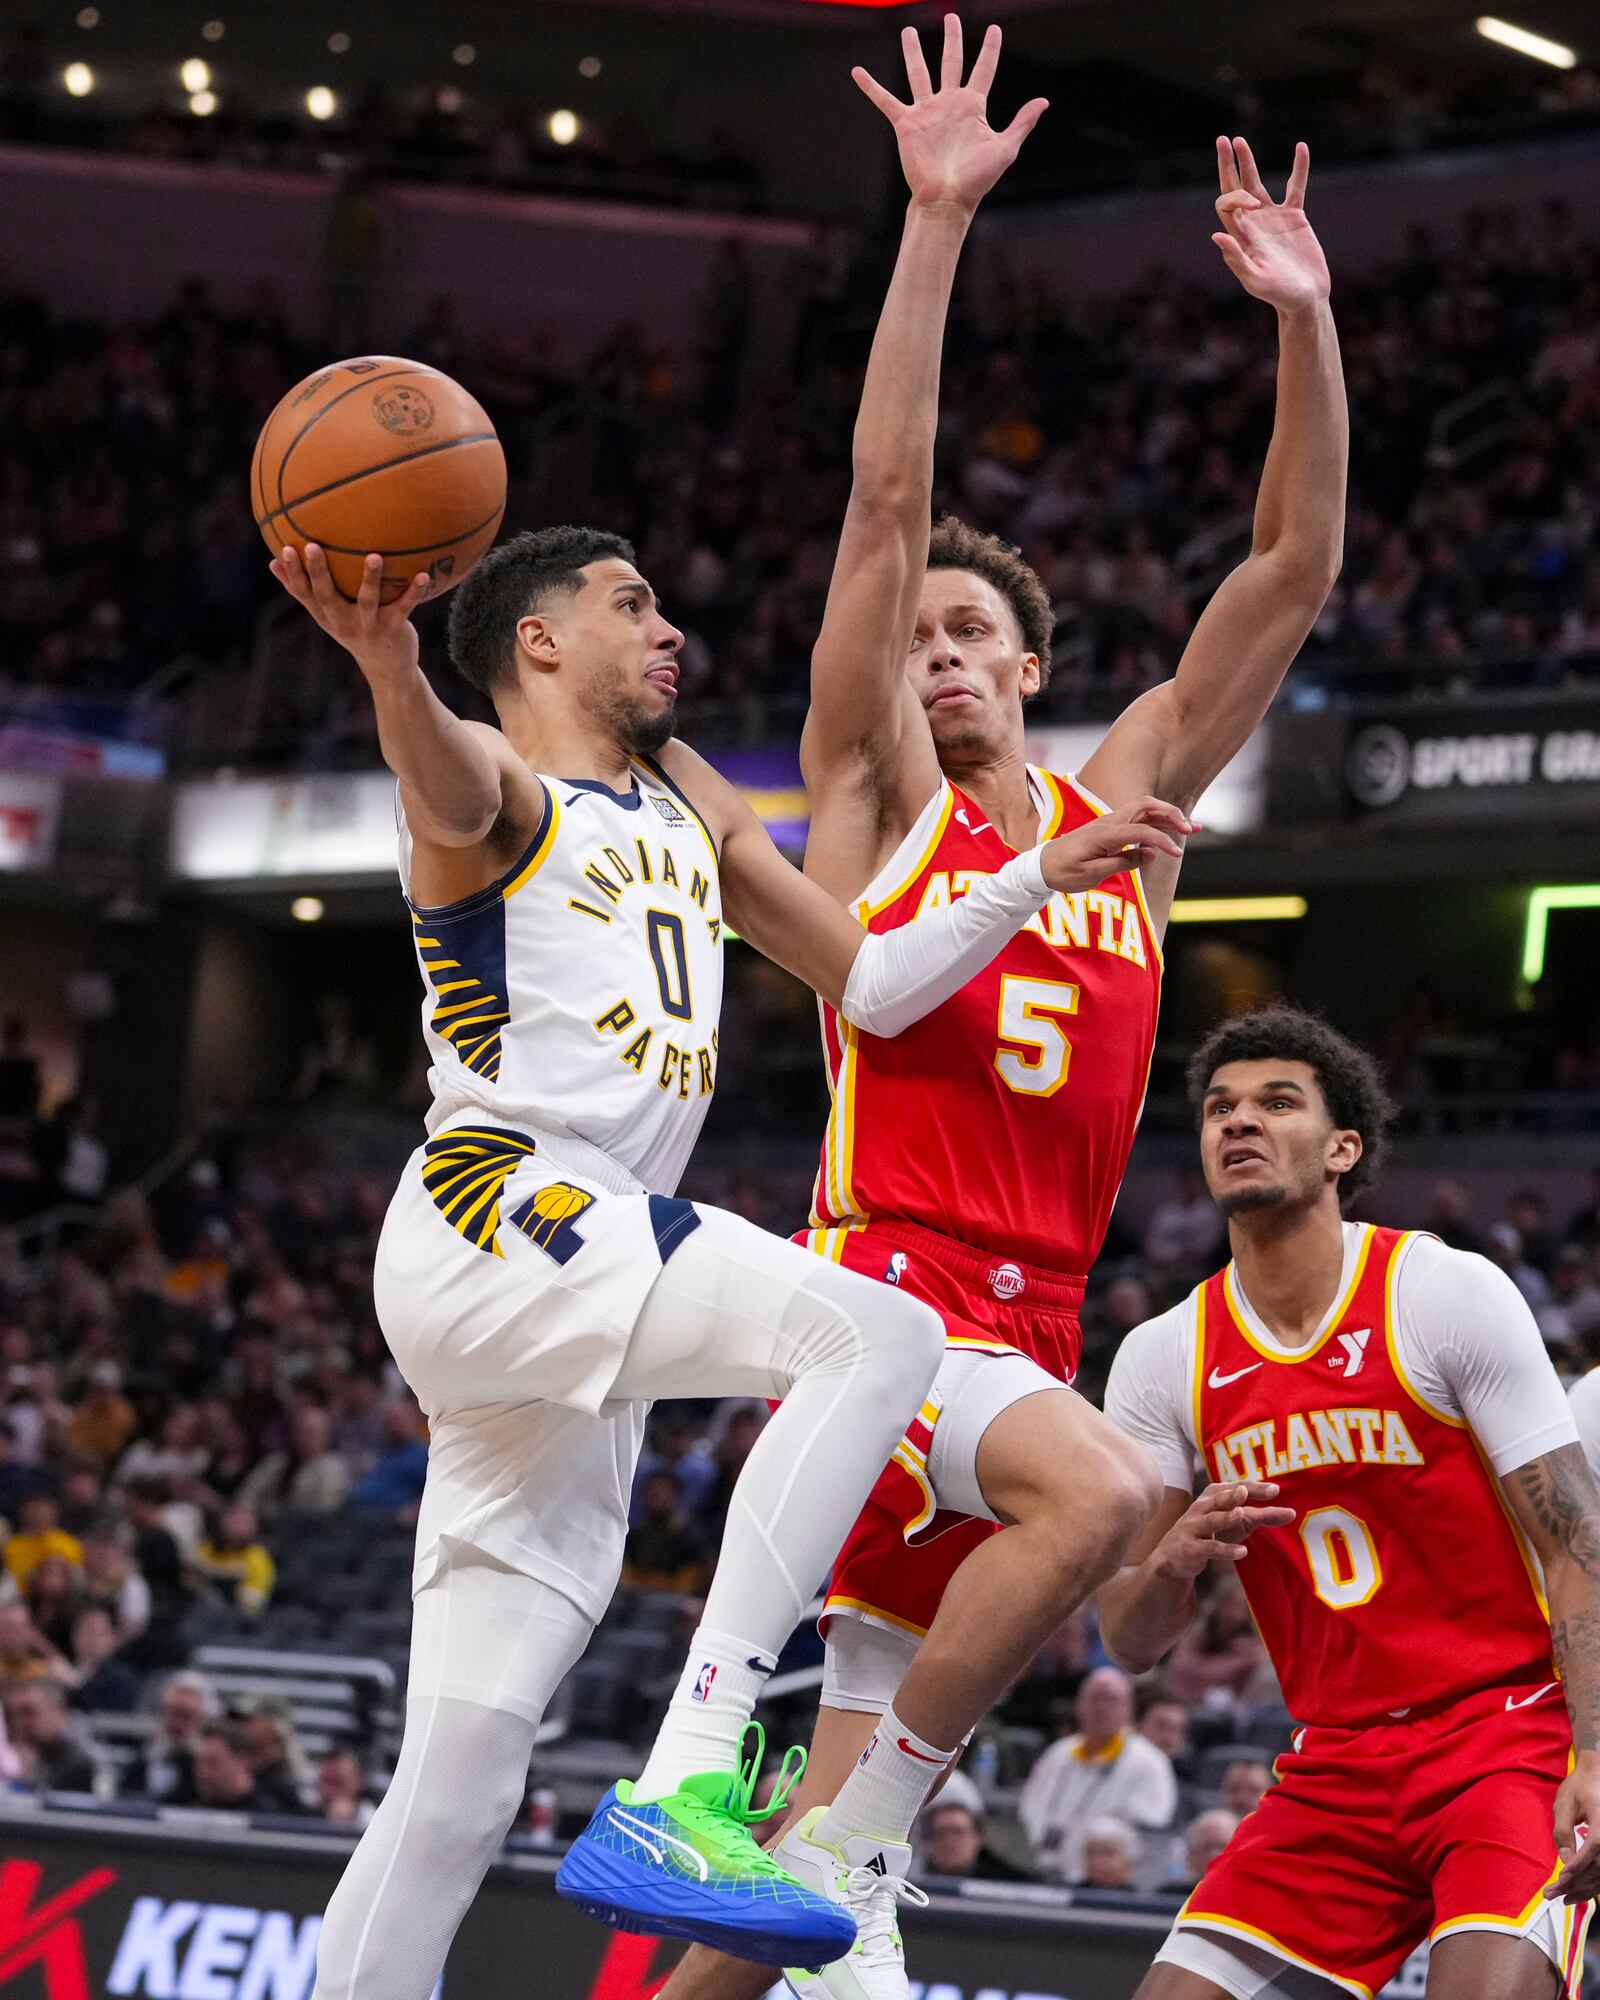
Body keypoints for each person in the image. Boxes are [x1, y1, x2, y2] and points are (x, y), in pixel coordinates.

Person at [269, 374, 1182, 1994]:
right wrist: (388, 659)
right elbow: (443, 779)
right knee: (871, 1336)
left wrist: (1036, 873)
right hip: (510, 1214)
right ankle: (697, 1774)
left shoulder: (690, 811)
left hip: (566, 1318)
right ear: (539, 643)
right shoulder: (499, 787)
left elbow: (885, 987)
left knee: (459, 1784)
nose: (670, 627)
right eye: (632, 605)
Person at [659, 27, 1343, 2000]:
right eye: (921, 637)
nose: (937, 651)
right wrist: (936, 223)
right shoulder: (868, 805)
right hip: (888, 1311)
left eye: (974, 633)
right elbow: (887, 500)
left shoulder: (1117, 814)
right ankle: (864, 1834)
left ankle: (825, 1867)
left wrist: (1299, 324)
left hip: (1023, 1330)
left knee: (795, 1904)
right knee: (1104, 1491)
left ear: (1031, 666)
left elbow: (1287, 569)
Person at [1100, 1007, 1600, 2000]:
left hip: (1506, 1731)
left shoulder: (1442, 1291)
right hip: (1335, 1762)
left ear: (1342, 1147)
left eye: (1275, 1101)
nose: (1237, 1121)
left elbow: (1574, 1547)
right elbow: (1128, 1637)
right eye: (1217, 1107)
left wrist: (1596, 1753)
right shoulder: (1161, 1355)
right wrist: (1172, 1562)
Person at [1018, 1667, 1178, 1884]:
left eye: (1111, 1700)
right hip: (1039, 1872)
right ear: (1078, 1705)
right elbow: (1027, 1808)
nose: (1101, 1708)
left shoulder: (1150, 1763)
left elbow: (1149, 1831)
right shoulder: (1058, 1754)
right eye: (1094, 1698)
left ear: (1129, 1710)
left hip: (1103, 1883)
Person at [5, 1678, 97, 1793]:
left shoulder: (81, 1758)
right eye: (11, 1714)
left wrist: (28, 1773)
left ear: (57, 1711)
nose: (18, 1722)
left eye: (28, 1712)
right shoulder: (13, 1753)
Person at [915, 1800, 1029, 1883]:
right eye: (940, 1833)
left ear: (978, 1838)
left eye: (957, 1832)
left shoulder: (1010, 1883)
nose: (949, 1840)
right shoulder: (911, 1880)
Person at [1078, 1817, 1139, 1893]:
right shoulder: (1066, 1899)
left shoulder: (1144, 1902)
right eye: (1092, 1852)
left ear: (1129, 1862)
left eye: (1108, 1853)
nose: (1098, 1861)